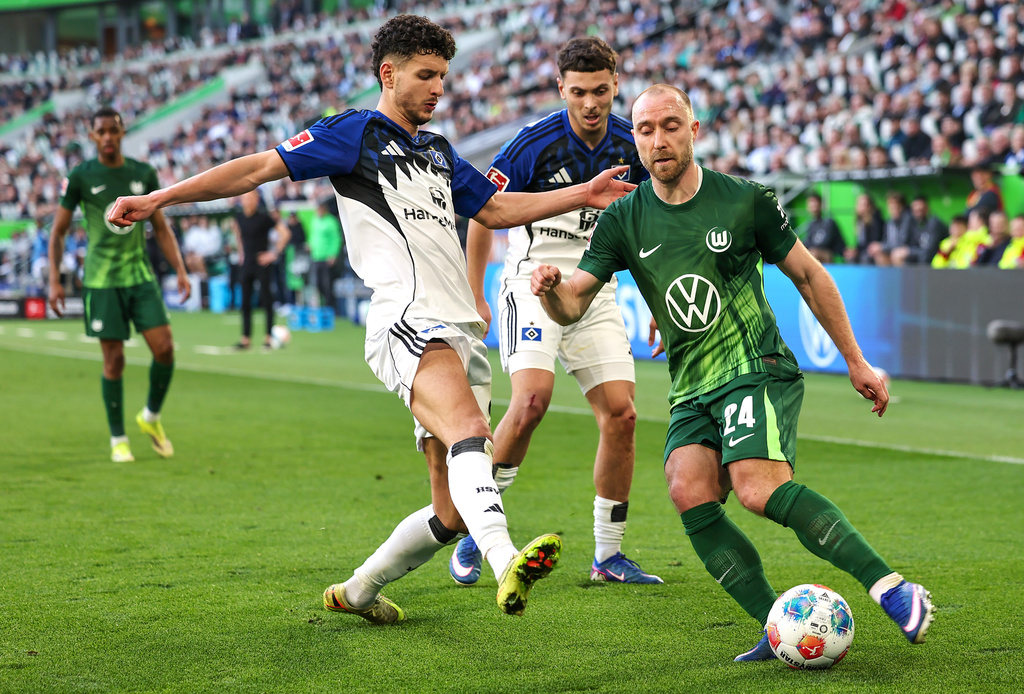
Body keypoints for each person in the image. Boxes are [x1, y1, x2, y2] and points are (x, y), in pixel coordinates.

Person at [106, 14, 635, 622]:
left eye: (444, 75)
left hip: (459, 328)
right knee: (471, 431)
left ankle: (357, 591)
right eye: (426, 75)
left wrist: (581, 193)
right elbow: (256, 168)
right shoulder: (353, 134)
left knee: (451, 508)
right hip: (407, 318)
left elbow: (495, 208)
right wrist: (158, 198)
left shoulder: (437, 151)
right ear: (389, 74)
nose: (439, 88)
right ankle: (504, 559)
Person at [530, 85, 933, 661]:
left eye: (670, 126)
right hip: (691, 384)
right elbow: (573, 302)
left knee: (755, 488)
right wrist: (550, 294)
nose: (658, 140)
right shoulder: (622, 219)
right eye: (645, 130)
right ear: (635, 139)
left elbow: (811, 276)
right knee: (687, 489)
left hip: (754, 367)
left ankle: (894, 590)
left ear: (694, 130)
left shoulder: (744, 200)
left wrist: (855, 359)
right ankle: (775, 628)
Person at [456, 36, 660, 588]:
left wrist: (660, 302)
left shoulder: (635, 144)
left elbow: (653, 228)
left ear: (616, 85)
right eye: (578, 92)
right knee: (530, 402)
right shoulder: (531, 145)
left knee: (623, 414)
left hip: (596, 289)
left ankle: (608, 556)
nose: (590, 103)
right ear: (560, 88)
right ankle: (479, 527)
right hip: (531, 281)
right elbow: (481, 214)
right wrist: (477, 292)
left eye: (600, 91)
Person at [48, 107, 191, 463]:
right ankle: (118, 439)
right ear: (93, 136)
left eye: (114, 130)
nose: (108, 136)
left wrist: (181, 269)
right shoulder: (81, 176)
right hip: (101, 281)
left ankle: (151, 417)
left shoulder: (143, 173)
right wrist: (55, 279)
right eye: (102, 131)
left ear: (123, 132)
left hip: (139, 277)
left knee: (166, 350)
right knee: (114, 360)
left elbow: (160, 228)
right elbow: (59, 231)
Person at [231, 189, 290, 350]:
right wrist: (241, 253)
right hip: (247, 263)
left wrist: (274, 254)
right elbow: (238, 235)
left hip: (262, 262)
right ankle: (245, 338)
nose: (247, 201)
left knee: (266, 300)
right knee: (245, 302)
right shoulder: (239, 218)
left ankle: (268, 337)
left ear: (257, 200)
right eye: (245, 198)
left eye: (251, 198)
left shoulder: (264, 218)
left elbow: (285, 233)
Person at [308, 199, 342, 312]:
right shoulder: (315, 220)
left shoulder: (331, 221)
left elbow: (336, 239)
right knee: (317, 284)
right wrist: (310, 245)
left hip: (327, 257)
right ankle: (323, 307)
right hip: (316, 256)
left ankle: (331, 308)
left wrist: (333, 254)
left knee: (327, 285)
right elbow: (312, 236)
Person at [800, 192, 846, 264]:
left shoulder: (829, 222)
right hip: (815, 253)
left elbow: (825, 243)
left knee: (813, 253)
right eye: (810, 204)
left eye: (815, 203)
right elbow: (807, 242)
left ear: (820, 204)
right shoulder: (811, 224)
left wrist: (810, 249)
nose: (813, 206)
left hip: (830, 255)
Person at [904, 195, 948, 265]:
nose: (918, 214)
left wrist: (909, 252)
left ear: (927, 208)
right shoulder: (915, 225)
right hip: (922, 263)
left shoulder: (935, 224)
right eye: (915, 211)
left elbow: (930, 252)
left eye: (921, 210)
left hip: (937, 264)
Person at [844, 192, 884, 264]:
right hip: (864, 250)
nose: (863, 208)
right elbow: (861, 243)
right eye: (861, 205)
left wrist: (858, 251)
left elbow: (874, 241)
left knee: (865, 258)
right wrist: (855, 250)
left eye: (866, 205)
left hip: (874, 250)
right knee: (850, 256)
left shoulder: (876, 219)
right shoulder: (859, 221)